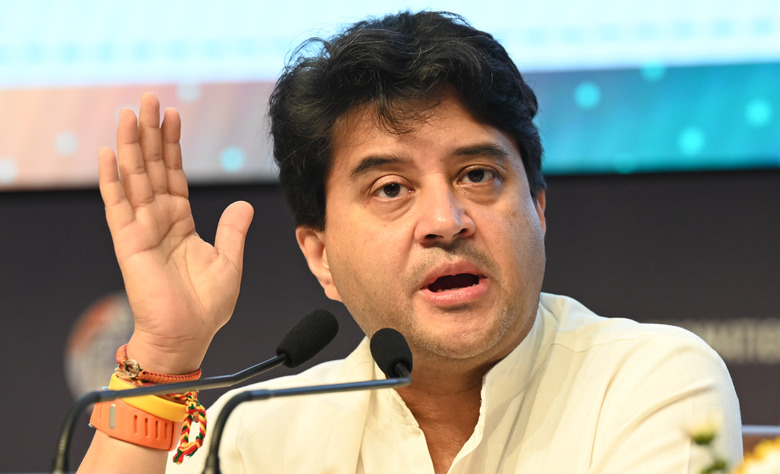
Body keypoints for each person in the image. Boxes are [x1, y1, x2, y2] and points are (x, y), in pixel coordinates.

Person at [78, 10, 741, 474]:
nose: (445, 219)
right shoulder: (254, 430)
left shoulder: (649, 383)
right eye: (391, 188)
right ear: (320, 257)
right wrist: (164, 357)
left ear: (537, 208)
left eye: (478, 175)